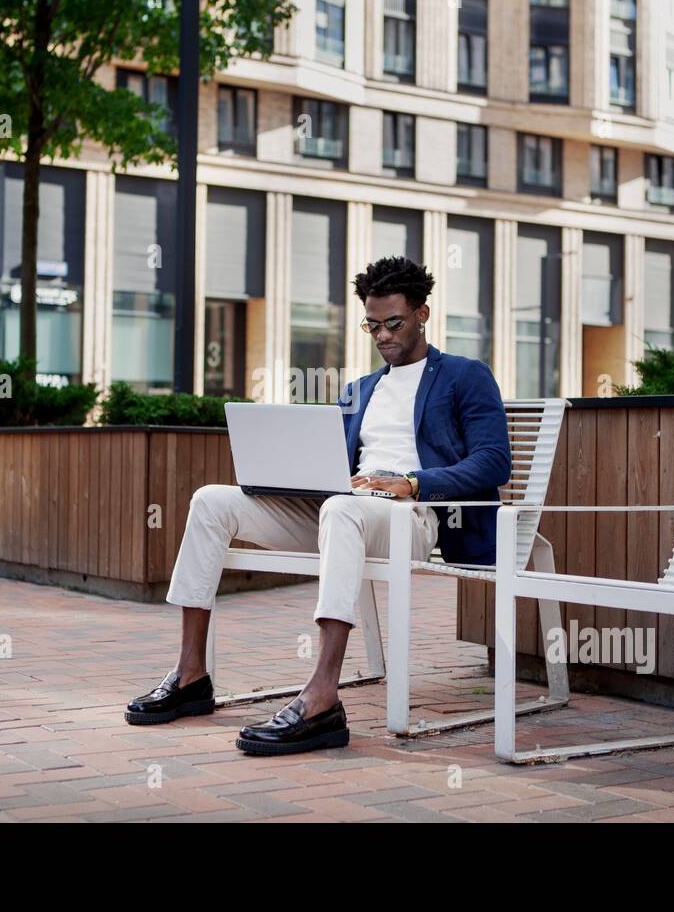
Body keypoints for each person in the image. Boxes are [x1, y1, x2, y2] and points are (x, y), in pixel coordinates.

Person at [123, 255, 510, 755]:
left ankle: (323, 696)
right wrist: (291, 478)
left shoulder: (464, 376)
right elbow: (328, 460)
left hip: (415, 518)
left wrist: (412, 483)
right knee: (212, 501)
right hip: (342, 508)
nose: (383, 335)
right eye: (372, 325)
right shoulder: (359, 390)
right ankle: (191, 675)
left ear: (423, 314)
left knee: (341, 510)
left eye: (394, 323)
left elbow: (493, 461)